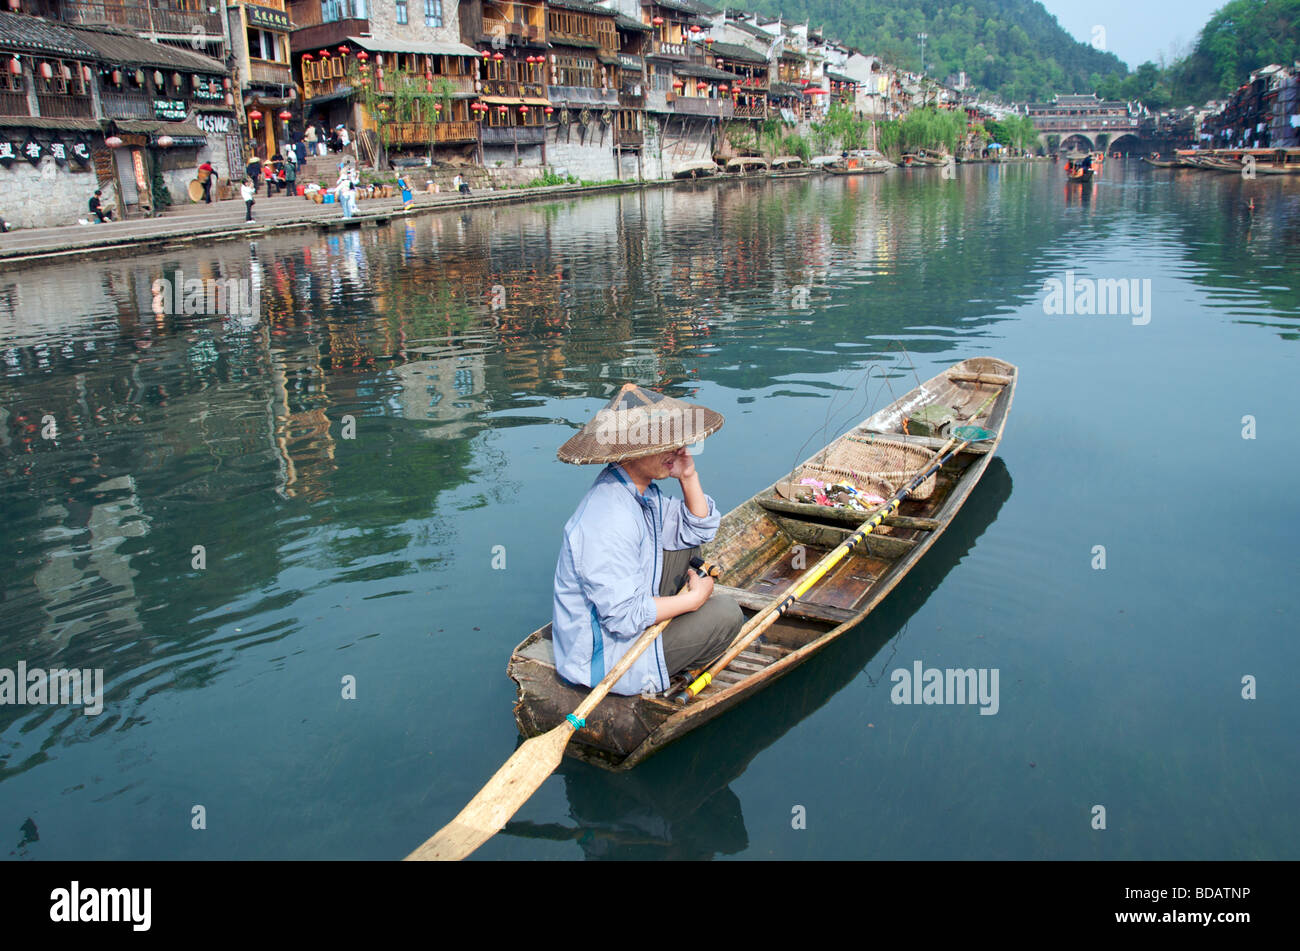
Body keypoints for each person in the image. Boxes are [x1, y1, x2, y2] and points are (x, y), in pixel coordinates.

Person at [551, 385, 743, 697]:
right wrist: (692, 600)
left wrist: (688, 476)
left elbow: (697, 530)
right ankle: (656, 668)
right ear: (631, 451)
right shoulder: (610, 518)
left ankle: (671, 628)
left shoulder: (641, 491)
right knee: (727, 615)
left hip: (628, 620)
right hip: (605, 660)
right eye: (663, 444)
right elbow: (623, 617)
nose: (677, 448)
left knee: (686, 546)